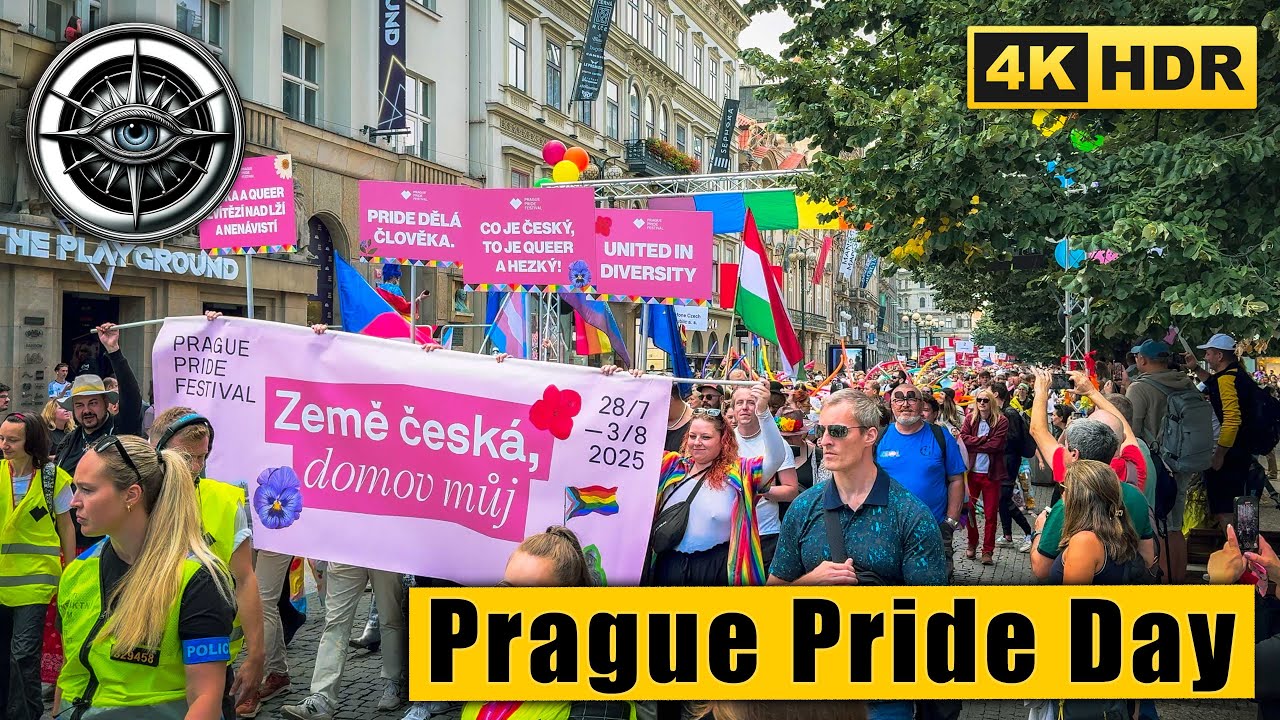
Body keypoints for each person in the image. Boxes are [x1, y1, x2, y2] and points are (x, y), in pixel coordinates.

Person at [768, 389, 945, 720]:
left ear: (870, 436)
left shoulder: (909, 513)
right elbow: (771, 597)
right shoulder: (805, 507)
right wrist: (809, 583)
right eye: (820, 431)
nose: (824, 442)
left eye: (836, 431)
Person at [53, 435, 235, 719]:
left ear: (131, 495)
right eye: (76, 488)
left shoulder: (197, 579)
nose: (74, 501)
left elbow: (205, 698)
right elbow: (70, 674)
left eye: (87, 490)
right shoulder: (77, 571)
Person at [615, 371, 787, 587]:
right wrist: (623, 384)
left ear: (723, 441)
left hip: (717, 569)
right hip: (668, 565)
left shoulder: (740, 472)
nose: (697, 442)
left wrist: (763, 412)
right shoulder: (670, 466)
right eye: (693, 436)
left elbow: (776, 457)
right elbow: (628, 444)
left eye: (706, 437)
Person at [150, 407, 266, 719]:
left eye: (203, 457)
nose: (196, 467)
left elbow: (245, 579)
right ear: (156, 451)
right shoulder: (136, 498)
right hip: (148, 663)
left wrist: (256, 653)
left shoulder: (226, 501)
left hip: (213, 656)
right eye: (186, 458)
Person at [1027, 370, 1157, 581]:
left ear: (1075, 454)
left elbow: (1038, 430)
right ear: (1116, 446)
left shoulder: (1069, 491)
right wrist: (1091, 391)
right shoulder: (1135, 480)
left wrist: (1040, 531)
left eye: (1066, 446)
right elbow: (1148, 559)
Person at [0, 413, 76, 720]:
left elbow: (66, 526)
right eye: (2, 438)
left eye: (12, 439)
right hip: (2, 579)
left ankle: (25, 715)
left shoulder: (52, 477)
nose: (4, 445)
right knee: (6, 656)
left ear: (31, 442)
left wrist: (71, 571)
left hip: (36, 580)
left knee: (23, 655)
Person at [56, 323, 144, 551]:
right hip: (72, 541)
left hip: (112, 543)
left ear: (107, 404)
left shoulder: (121, 430)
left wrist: (114, 351)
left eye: (93, 403)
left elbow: (132, 398)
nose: (86, 410)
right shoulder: (69, 441)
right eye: (80, 405)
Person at [875, 384, 965, 578]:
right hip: (888, 529)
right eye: (898, 399)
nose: (905, 404)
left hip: (933, 527)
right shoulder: (879, 437)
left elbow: (956, 479)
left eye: (911, 399)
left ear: (922, 404)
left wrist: (950, 521)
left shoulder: (940, 436)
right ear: (891, 405)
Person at [1185, 333, 1257, 529]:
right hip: (1241, 451)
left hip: (1230, 455)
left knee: (1225, 509)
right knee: (1241, 505)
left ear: (1219, 356)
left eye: (1208, 354)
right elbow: (1214, 385)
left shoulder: (1227, 380)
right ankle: (1244, 547)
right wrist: (1196, 368)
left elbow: (1231, 420)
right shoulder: (1235, 374)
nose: (1206, 358)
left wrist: (1219, 454)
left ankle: (1236, 551)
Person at [731, 385, 800, 566]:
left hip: (765, 534)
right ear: (732, 408)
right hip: (729, 533)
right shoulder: (723, 441)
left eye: (751, 402)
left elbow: (791, 490)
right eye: (739, 403)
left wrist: (758, 488)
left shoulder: (778, 444)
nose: (744, 407)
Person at [960, 388, 1009, 565]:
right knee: (970, 511)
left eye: (985, 400)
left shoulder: (1001, 421)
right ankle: (972, 543)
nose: (982, 403)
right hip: (972, 473)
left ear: (991, 402)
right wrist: (983, 440)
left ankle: (987, 550)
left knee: (990, 514)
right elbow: (963, 438)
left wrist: (976, 444)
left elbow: (996, 445)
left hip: (991, 474)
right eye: (979, 400)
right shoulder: (969, 418)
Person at [991, 384, 1035, 552]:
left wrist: (995, 438)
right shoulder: (1006, 411)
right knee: (1002, 499)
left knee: (1004, 498)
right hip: (1005, 459)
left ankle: (1029, 532)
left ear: (996, 394)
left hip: (1009, 460)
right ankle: (1007, 535)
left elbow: (1014, 437)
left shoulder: (1009, 413)